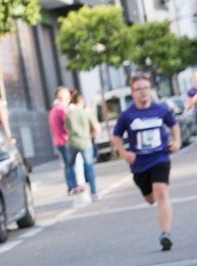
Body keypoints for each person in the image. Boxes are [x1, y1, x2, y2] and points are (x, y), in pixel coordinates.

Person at [112, 73, 181, 251]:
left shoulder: (161, 110)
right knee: (150, 199)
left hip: (160, 158)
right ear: (132, 93)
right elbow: (116, 135)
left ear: (150, 90)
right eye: (139, 89)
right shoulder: (127, 115)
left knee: (161, 192)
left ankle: (165, 234)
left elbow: (174, 124)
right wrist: (124, 153)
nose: (143, 92)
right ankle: (151, 199)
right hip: (139, 164)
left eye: (146, 88)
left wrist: (177, 141)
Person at [64, 92, 101, 202]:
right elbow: (97, 128)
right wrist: (91, 137)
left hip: (72, 143)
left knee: (69, 165)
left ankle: (73, 186)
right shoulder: (86, 113)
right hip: (85, 142)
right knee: (89, 167)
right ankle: (94, 192)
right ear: (82, 101)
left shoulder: (69, 114)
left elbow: (67, 129)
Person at [48, 87, 82, 195]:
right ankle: (73, 186)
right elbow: (69, 124)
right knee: (70, 165)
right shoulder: (62, 110)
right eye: (67, 97)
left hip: (58, 141)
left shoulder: (54, 109)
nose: (69, 99)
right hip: (65, 141)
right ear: (62, 97)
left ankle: (71, 186)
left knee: (67, 164)